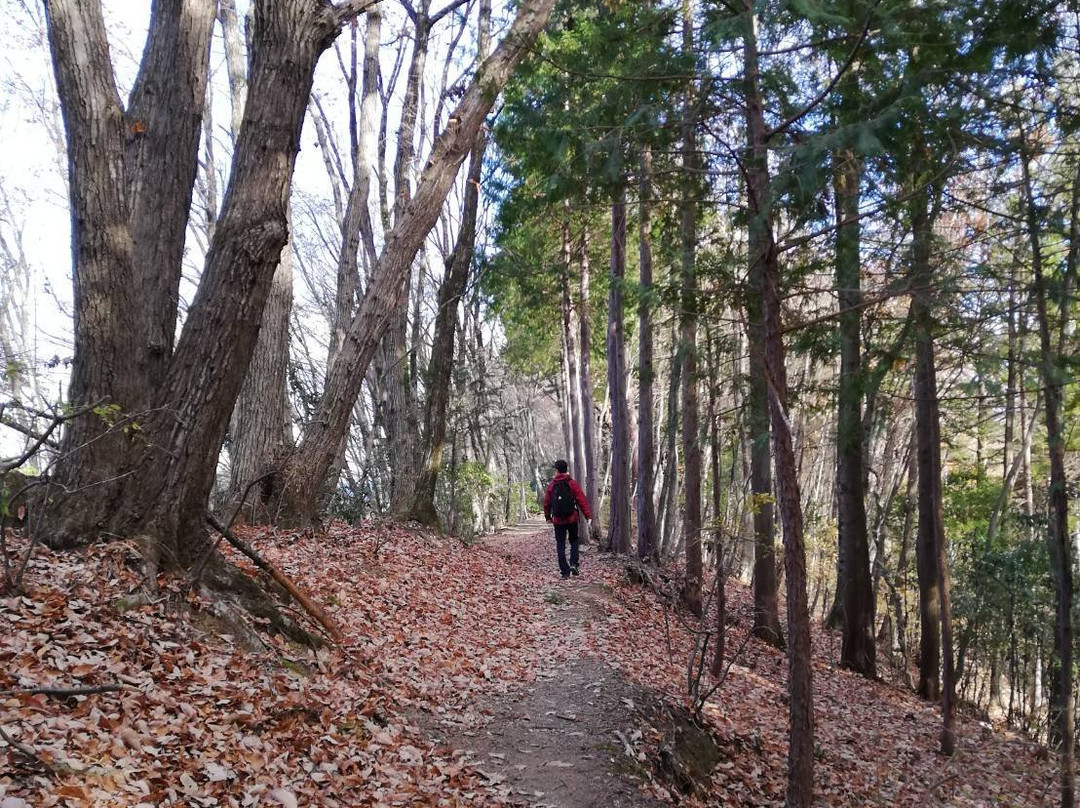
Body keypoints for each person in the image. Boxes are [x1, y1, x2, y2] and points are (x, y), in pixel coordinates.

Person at [542, 459, 592, 579]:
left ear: (557, 470)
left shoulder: (552, 485)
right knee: (574, 541)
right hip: (572, 518)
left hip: (558, 520)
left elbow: (546, 502)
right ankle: (574, 564)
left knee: (560, 544)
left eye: (555, 469)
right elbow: (581, 499)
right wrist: (588, 516)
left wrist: (548, 516)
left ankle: (565, 571)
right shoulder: (572, 483)